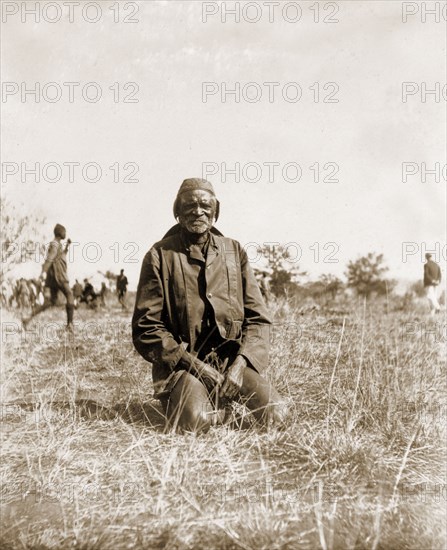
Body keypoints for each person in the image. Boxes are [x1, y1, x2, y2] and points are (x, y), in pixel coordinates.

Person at [132, 178, 286, 433]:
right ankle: (218, 410)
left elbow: (258, 320)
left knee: (277, 415)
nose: (198, 211)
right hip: (182, 367)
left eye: (205, 205)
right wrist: (198, 368)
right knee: (195, 422)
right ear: (177, 213)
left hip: (230, 366)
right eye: (189, 205)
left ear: (216, 212)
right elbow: (147, 328)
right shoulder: (159, 255)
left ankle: (221, 403)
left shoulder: (234, 251)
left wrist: (239, 366)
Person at [22, 223, 75, 331]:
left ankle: (27, 318)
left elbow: (60, 256)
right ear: (60, 233)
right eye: (64, 231)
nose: (65, 233)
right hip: (59, 275)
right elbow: (50, 259)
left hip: (54, 278)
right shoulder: (55, 244)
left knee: (51, 301)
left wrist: (67, 246)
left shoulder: (57, 244)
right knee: (70, 294)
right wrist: (43, 273)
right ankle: (70, 325)